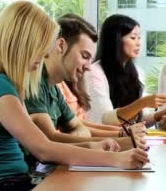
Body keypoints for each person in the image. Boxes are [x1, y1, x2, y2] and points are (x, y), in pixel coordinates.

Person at [0, 1, 149, 191]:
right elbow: (43, 148)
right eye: (41, 46)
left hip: (8, 188)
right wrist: (115, 159)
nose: (45, 54)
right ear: (22, 43)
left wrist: (105, 149)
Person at [25, 13, 146, 151]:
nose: (89, 66)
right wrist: (122, 141)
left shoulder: (53, 88)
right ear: (61, 46)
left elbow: (78, 126)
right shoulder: (34, 82)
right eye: (84, 56)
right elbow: (49, 138)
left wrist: (120, 137)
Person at [85, 14, 166, 126]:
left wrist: (164, 113)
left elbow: (139, 121)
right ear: (115, 39)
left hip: (131, 140)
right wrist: (143, 103)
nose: (138, 43)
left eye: (139, 38)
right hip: (107, 140)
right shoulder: (95, 72)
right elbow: (106, 119)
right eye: (133, 38)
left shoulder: (137, 72)